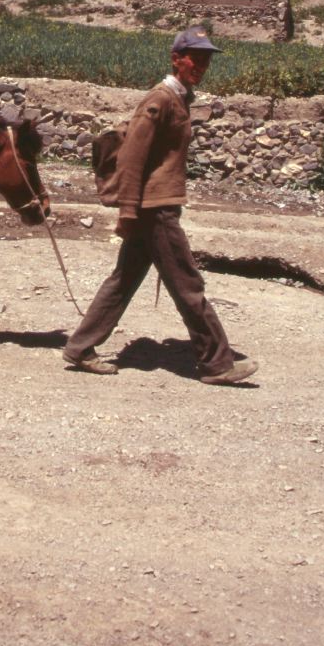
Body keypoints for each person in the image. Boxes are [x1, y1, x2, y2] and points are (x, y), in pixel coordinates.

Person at [62, 26, 258, 385]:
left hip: (157, 205)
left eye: (206, 60)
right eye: (194, 58)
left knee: (123, 280)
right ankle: (217, 364)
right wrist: (128, 212)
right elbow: (132, 159)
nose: (200, 65)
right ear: (176, 59)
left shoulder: (181, 98)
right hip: (156, 210)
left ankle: (79, 347)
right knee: (187, 284)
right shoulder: (161, 99)